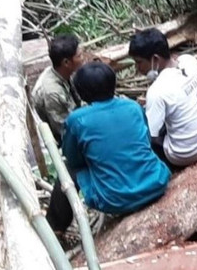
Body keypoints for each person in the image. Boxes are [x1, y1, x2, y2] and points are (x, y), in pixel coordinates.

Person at [47, 62, 170, 233]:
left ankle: (55, 227)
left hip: (115, 199)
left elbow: (73, 158)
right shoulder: (133, 106)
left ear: (81, 92)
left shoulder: (77, 119)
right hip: (156, 183)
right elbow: (146, 139)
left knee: (66, 170)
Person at [129, 29, 197, 168]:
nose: (137, 68)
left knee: (146, 136)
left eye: (139, 62)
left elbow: (149, 136)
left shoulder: (157, 90)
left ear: (155, 59)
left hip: (185, 154)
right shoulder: (190, 61)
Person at [30, 34, 84, 144]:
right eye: (79, 56)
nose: (83, 58)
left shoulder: (63, 73)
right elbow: (64, 130)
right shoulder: (52, 92)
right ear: (66, 63)